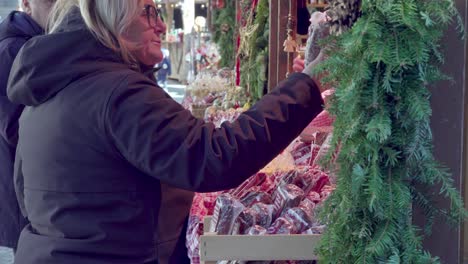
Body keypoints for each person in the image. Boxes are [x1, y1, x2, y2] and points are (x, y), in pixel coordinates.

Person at [7, 0, 324, 263]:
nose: (161, 25)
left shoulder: (47, 91)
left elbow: (24, 195)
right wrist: (308, 86)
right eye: (149, 11)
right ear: (115, 15)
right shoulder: (118, 93)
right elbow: (213, 156)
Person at [0, 0, 55, 253]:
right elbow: (14, 129)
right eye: (49, 1)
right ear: (26, 5)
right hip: (22, 187)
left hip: (31, 187)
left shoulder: (37, 43)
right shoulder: (14, 50)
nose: (57, 7)